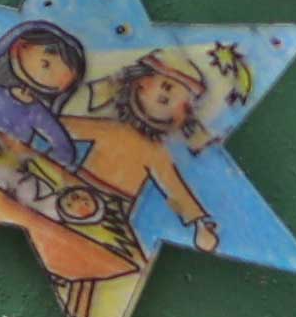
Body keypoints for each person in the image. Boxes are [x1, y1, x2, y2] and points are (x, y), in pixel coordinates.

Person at [69, 49, 224, 253]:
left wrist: (200, 225)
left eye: (182, 102)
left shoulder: (157, 154)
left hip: (112, 215)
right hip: (72, 190)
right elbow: (66, 128)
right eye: (166, 86)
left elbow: (176, 189)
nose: (168, 97)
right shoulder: (110, 129)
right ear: (140, 82)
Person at [0, 21, 89, 167]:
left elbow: (65, 150)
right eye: (46, 64)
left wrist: (37, 164)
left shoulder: (37, 113)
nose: (47, 76)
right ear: (17, 47)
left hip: (12, 167)